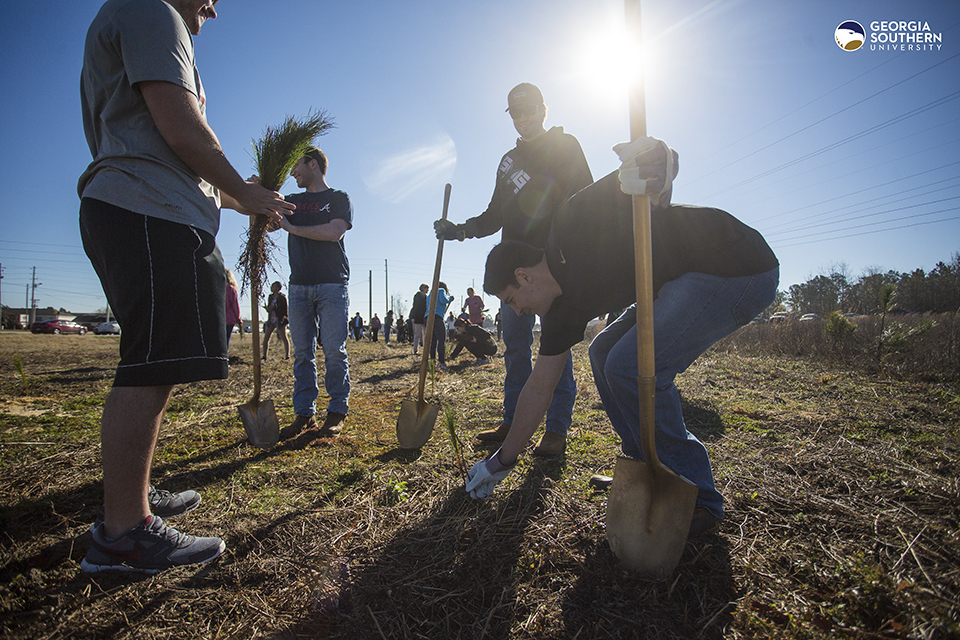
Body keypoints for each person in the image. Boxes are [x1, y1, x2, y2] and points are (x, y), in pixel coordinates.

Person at [465, 137, 780, 538]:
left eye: (511, 299)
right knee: (604, 351)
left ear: (524, 275)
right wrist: (500, 462)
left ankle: (697, 495)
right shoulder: (561, 311)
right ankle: (645, 465)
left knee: (629, 365)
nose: (515, 312)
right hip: (676, 281)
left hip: (733, 264)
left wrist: (658, 160)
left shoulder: (573, 222)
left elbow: (647, 168)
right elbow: (539, 387)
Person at [78, 0, 295, 573]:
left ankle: (133, 496)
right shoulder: (153, 10)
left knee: (158, 361)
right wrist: (243, 193)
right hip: (148, 211)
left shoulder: (136, 14)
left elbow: (174, 148)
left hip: (149, 206)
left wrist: (239, 193)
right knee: (150, 365)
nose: (214, 10)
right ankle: (123, 533)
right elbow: (180, 128)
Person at [434, 83, 593, 457]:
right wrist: (458, 231)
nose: (523, 119)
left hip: (552, 267)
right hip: (511, 269)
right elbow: (494, 215)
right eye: (516, 114)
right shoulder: (508, 161)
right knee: (515, 346)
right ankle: (512, 419)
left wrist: (571, 252)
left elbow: (584, 197)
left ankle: (555, 430)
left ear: (543, 109)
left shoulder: (565, 147)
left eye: (529, 111)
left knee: (556, 345)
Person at [276, 146, 353, 441]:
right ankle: (304, 413)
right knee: (302, 353)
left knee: (334, 350)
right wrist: (259, 190)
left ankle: (336, 411)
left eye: (296, 165)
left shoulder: (337, 198)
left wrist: (292, 229)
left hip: (332, 284)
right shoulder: (292, 201)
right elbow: (270, 225)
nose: (293, 172)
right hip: (298, 286)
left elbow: (335, 232)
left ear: (313, 164)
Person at [425, 281, 454, 371]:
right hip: (437, 317)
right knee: (441, 340)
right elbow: (443, 300)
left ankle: (432, 362)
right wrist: (450, 298)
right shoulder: (441, 290)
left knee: (433, 341)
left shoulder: (430, 294)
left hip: (427, 318)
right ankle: (442, 362)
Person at [262, 281, 289, 360]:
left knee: (284, 337)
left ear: (278, 288)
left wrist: (275, 308)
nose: (271, 288)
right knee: (266, 338)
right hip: (271, 320)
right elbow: (270, 309)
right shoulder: (270, 297)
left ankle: (287, 356)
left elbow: (283, 311)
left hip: (279, 320)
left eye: (273, 286)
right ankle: (264, 356)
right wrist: (268, 309)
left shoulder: (282, 298)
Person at [225, 269, 241, 349]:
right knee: (226, 339)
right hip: (229, 319)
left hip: (219, 318)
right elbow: (235, 305)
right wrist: (238, 318)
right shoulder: (231, 289)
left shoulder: (217, 288)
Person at [410, 283, 428, 356]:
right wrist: (413, 317)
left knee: (425, 334)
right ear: (423, 288)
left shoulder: (426, 297)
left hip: (424, 317)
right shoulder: (417, 296)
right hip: (417, 317)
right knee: (417, 334)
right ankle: (415, 350)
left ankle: (425, 350)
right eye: (426, 288)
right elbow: (415, 306)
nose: (427, 290)